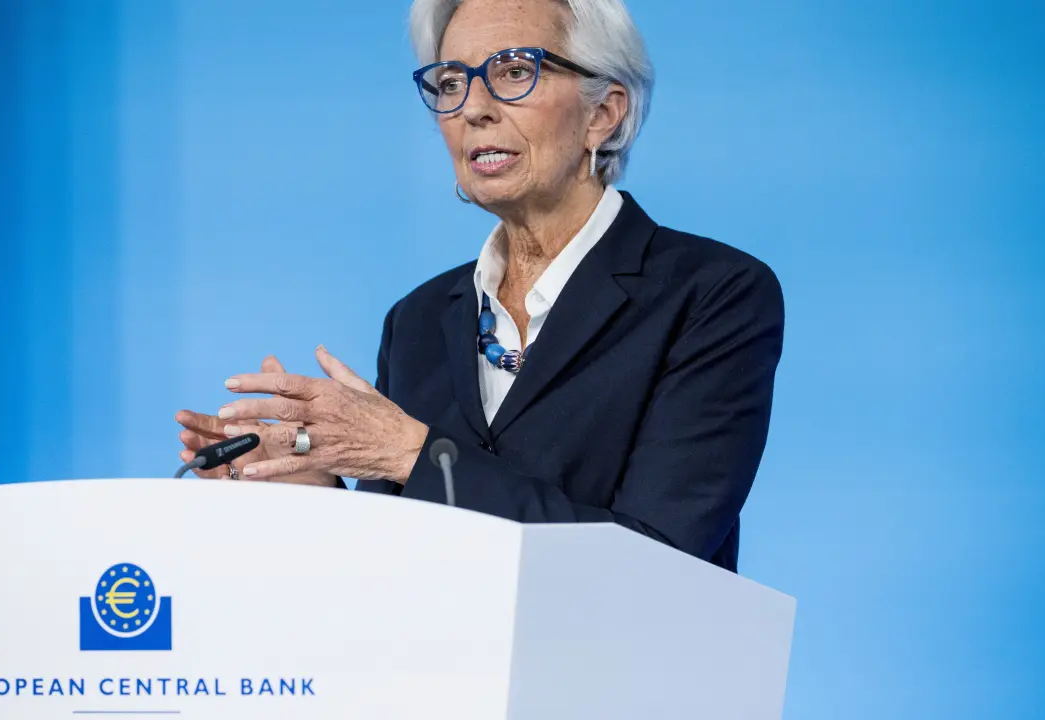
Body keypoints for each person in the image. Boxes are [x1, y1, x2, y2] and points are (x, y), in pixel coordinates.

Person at [175, 0, 783, 572]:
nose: (472, 108)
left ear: (603, 112)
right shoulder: (417, 320)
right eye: (450, 83)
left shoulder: (711, 294)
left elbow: (659, 559)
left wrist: (411, 453)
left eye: (514, 71)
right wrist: (317, 490)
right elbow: (400, 558)